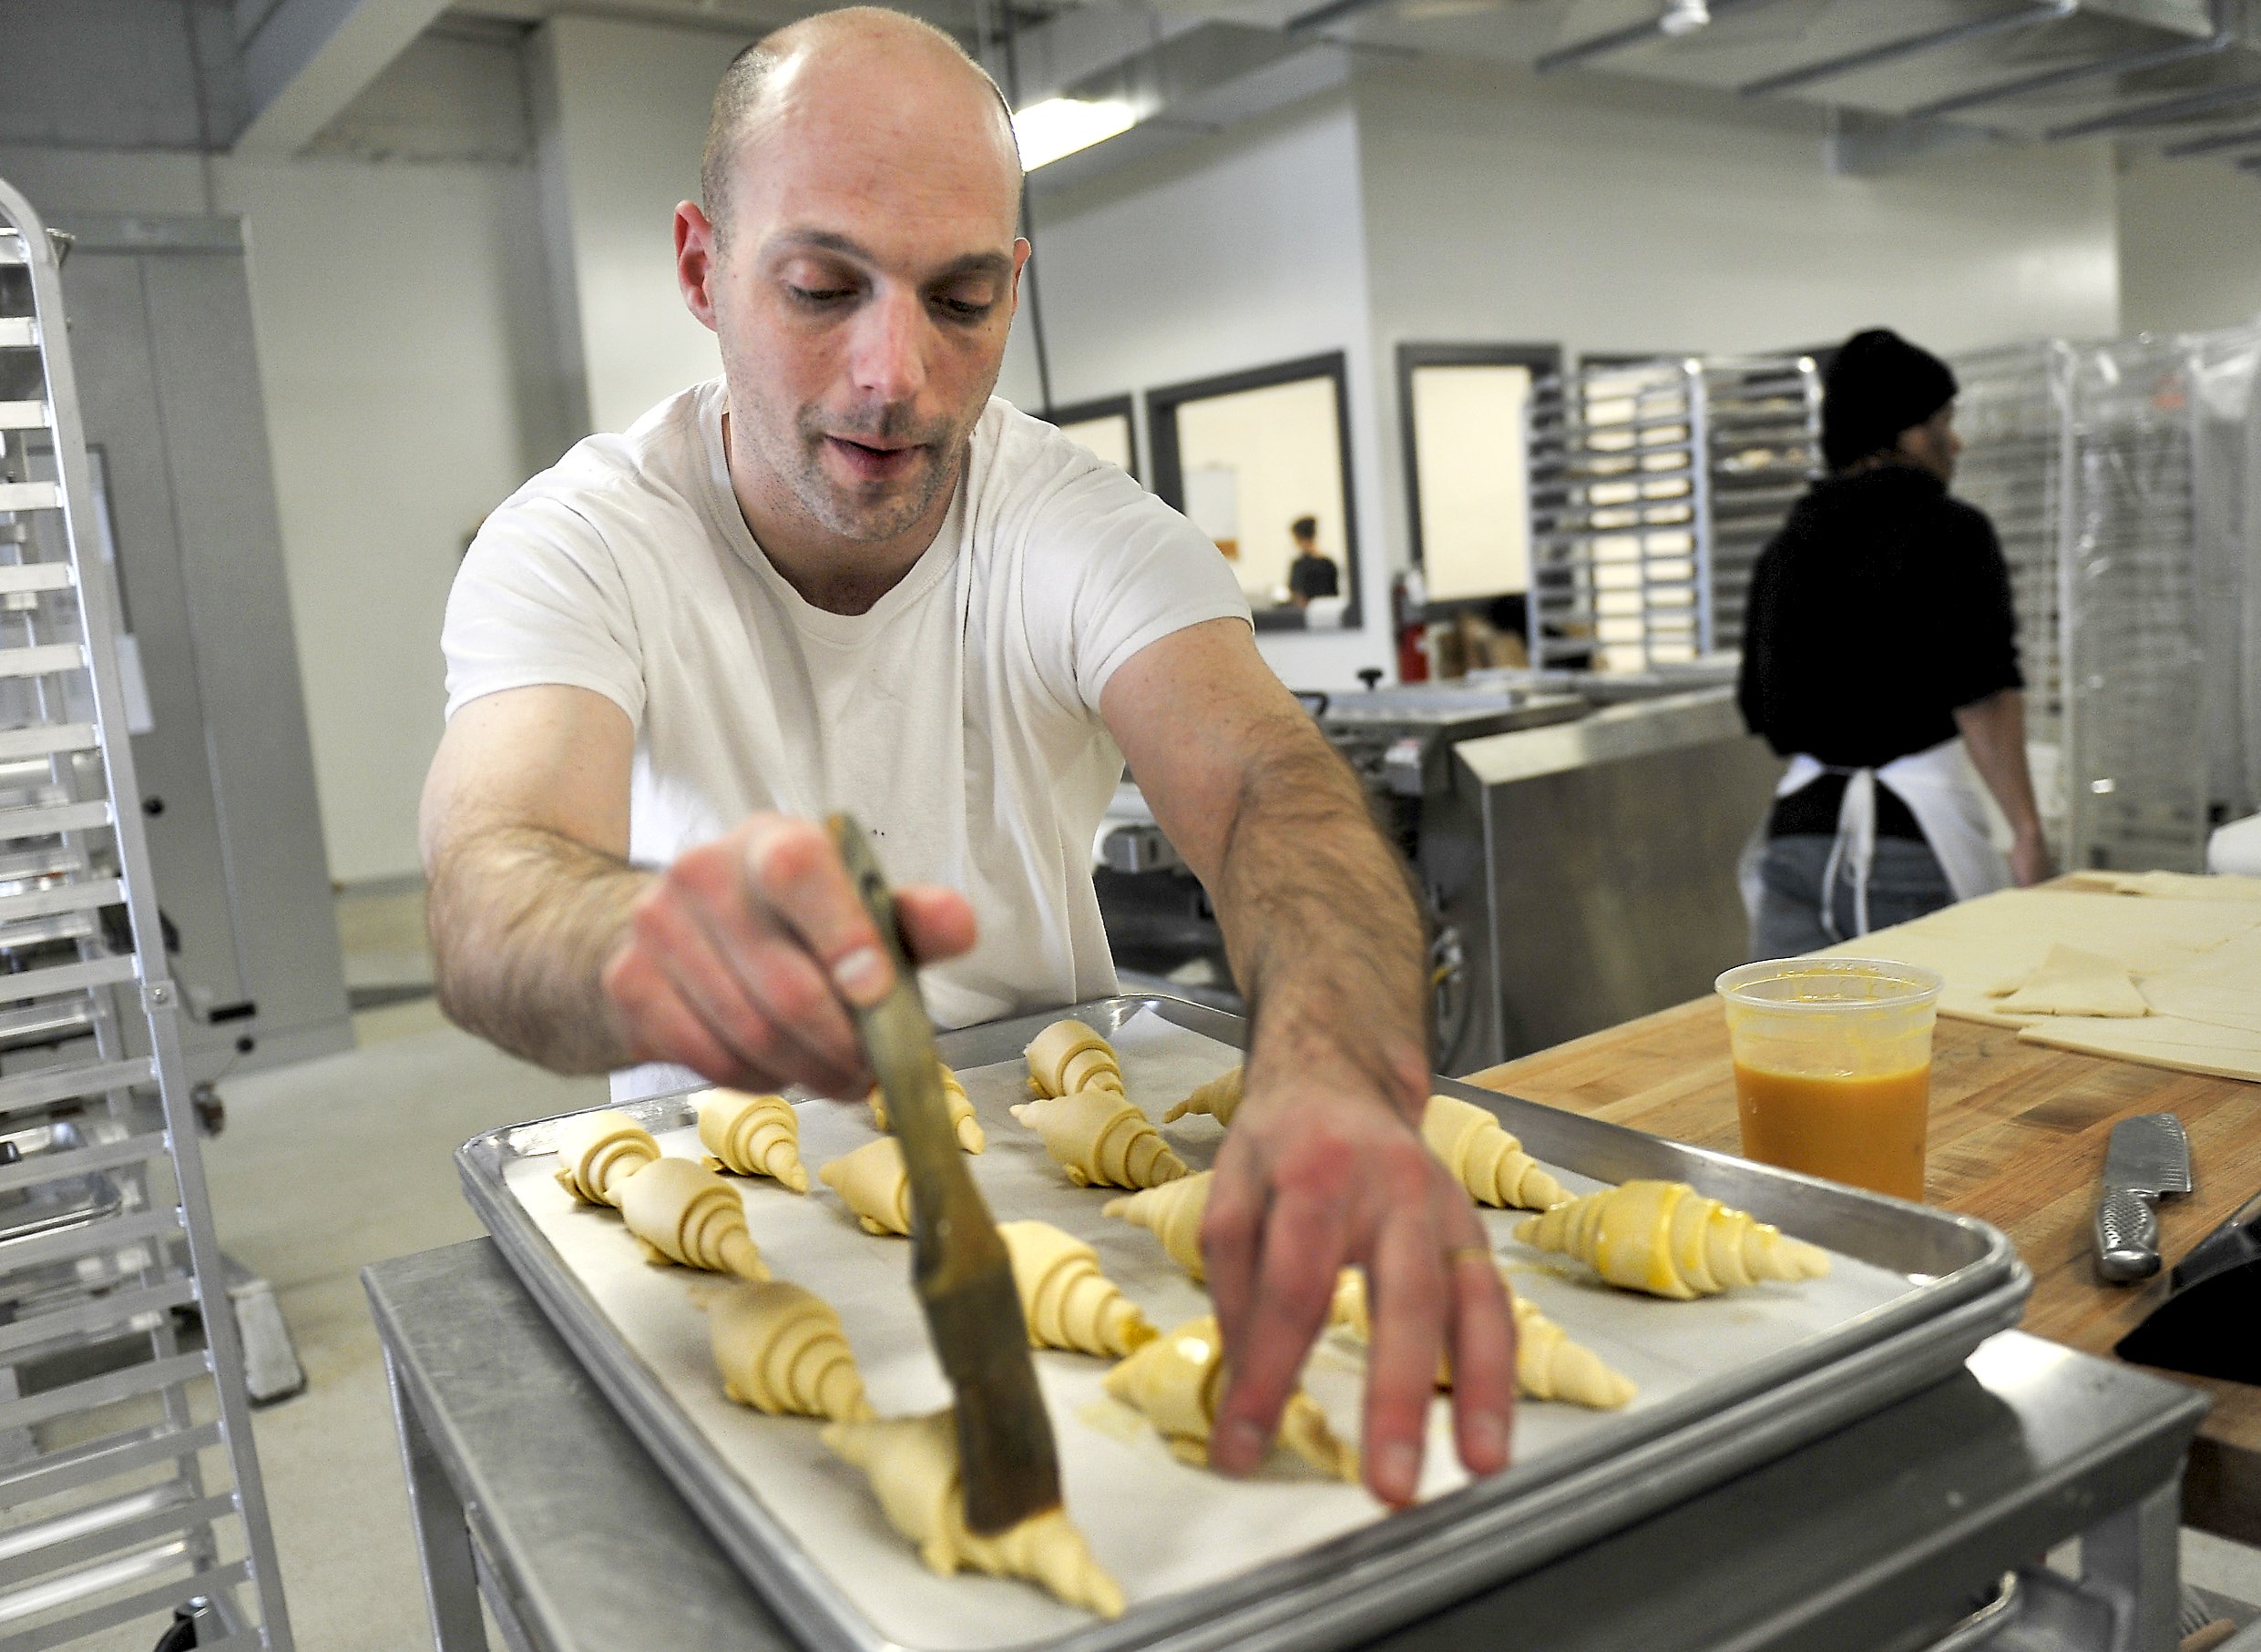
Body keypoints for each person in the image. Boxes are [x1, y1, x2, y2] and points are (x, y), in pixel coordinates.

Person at [419, 8, 1509, 1507]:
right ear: (698, 269)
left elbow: (1268, 786)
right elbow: (492, 874)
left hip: (1077, 1167)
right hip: (722, 1200)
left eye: (960, 298)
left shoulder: (1071, 521)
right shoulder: (588, 540)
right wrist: (632, 933)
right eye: (820, 286)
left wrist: (1324, 1065)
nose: (897, 375)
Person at [1737, 328, 2051, 958]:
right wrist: (2025, 832)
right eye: (1943, 420)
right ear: (1903, 432)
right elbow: (1982, 696)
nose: (1954, 441)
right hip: (1903, 854)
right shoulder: (1951, 533)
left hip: (1796, 844)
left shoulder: (1785, 545)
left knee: (1796, 1047)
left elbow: (1758, 707)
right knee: (1929, 1046)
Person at [1285, 515, 1339, 605]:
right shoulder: (1329, 563)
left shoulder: (1299, 565)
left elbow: (1297, 595)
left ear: (1299, 539)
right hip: (1329, 612)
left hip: (1310, 614)